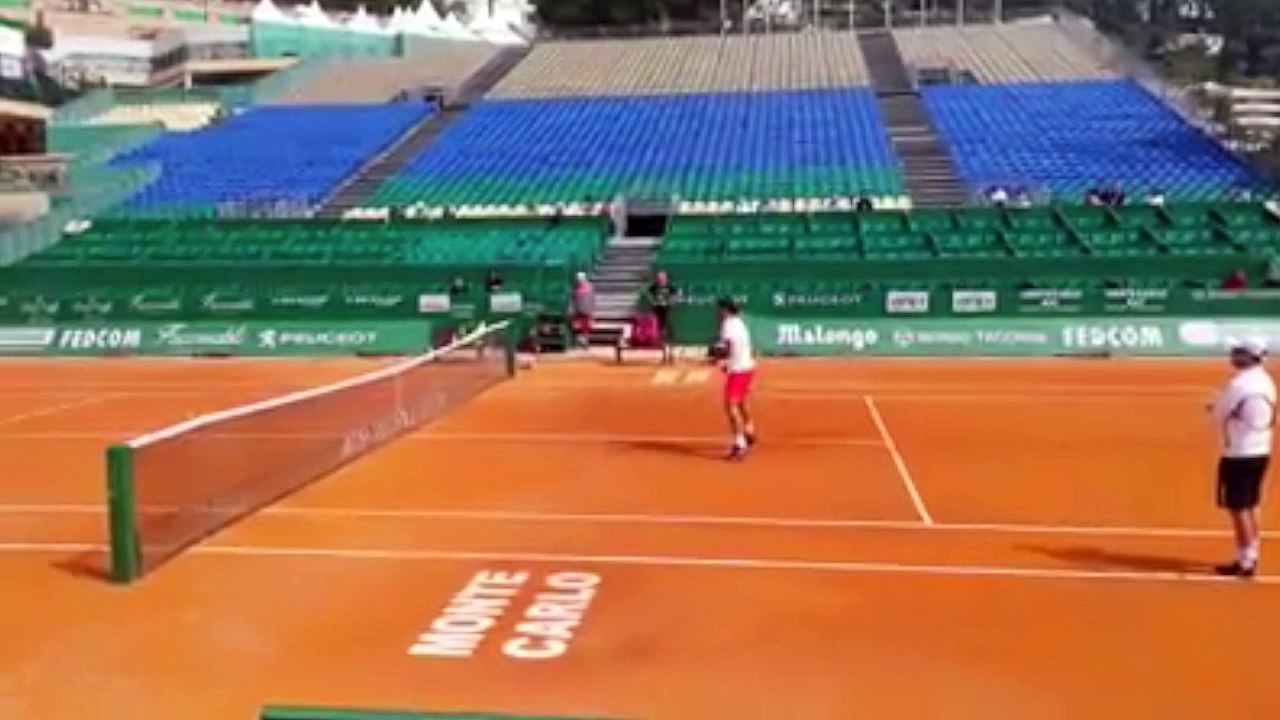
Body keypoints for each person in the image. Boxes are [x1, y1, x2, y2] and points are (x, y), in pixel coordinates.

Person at [1209, 338, 1276, 577]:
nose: (1232, 355)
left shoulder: (1238, 384)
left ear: (1248, 356)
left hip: (1239, 452)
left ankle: (1247, 559)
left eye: (1237, 352)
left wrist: (1213, 407)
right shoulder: (1266, 381)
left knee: (1239, 507)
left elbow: (1218, 415)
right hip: (1261, 450)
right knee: (1251, 505)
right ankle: (1249, 552)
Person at [711, 297, 757, 461]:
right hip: (748, 367)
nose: (717, 312)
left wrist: (717, 356)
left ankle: (739, 444)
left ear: (725, 310)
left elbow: (726, 348)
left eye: (719, 309)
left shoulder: (727, 325)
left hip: (738, 370)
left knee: (730, 405)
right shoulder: (739, 322)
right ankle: (750, 430)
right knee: (742, 400)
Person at [648, 270, 679, 364]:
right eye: (659, 277)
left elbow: (677, 294)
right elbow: (647, 293)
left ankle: (671, 355)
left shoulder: (670, 286)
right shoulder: (654, 286)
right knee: (662, 335)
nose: (660, 279)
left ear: (665, 277)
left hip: (668, 312)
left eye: (662, 277)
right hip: (658, 313)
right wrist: (653, 301)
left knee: (670, 334)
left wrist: (670, 302)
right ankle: (664, 356)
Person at [571, 272, 594, 349]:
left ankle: (585, 343)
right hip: (578, 311)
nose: (579, 280)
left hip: (586, 310)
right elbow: (573, 299)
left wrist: (591, 311)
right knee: (578, 327)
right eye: (578, 279)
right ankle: (580, 342)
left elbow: (592, 300)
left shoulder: (589, 287)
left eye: (581, 279)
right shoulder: (575, 288)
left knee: (585, 328)